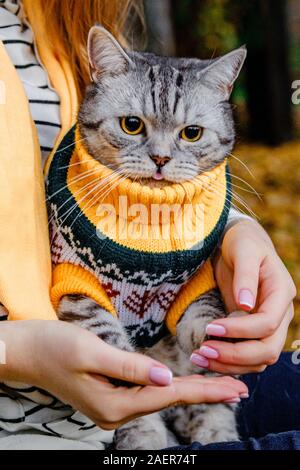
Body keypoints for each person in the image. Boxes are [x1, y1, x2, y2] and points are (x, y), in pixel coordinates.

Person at [0, 0, 296, 450]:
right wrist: (17, 354)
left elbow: (86, 177)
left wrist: (230, 230)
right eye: (134, 125)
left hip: (170, 354)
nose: (161, 155)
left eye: (189, 134)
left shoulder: (54, 16)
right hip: (33, 425)